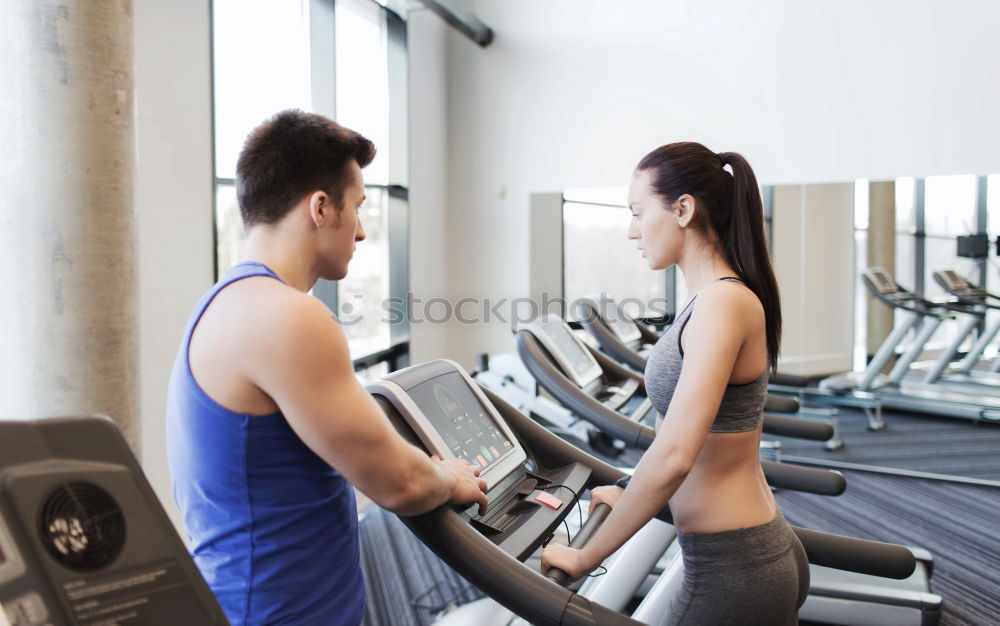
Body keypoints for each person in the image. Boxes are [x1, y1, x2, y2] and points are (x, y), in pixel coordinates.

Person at [165, 110, 488, 626]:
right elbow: (399, 484)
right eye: (357, 208)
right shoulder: (286, 315)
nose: (361, 232)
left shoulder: (226, 304)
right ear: (320, 207)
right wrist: (448, 478)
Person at [541, 142, 809, 625]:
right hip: (739, 554)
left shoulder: (723, 303)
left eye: (639, 213)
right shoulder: (707, 300)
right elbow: (678, 436)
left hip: (734, 567)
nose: (631, 231)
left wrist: (585, 556)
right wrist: (626, 485)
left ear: (684, 209)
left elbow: (676, 455)